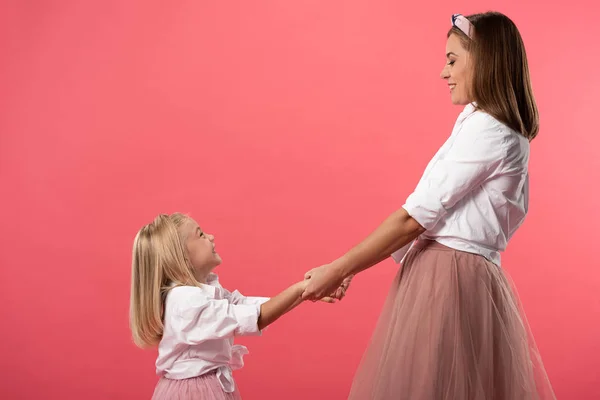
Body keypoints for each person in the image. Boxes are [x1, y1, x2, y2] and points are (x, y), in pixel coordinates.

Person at [302, 12, 556, 399]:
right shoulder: (478, 122)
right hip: (445, 272)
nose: (443, 72)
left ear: (484, 59)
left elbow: (413, 218)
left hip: (449, 277)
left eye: (453, 60)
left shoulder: (490, 130)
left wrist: (339, 268)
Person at [129, 213, 336, 400]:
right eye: (200, 235)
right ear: (181, 256)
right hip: (193, 393)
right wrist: (301, 288)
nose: (211, 237)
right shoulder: (185, 301)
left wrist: (306, 292)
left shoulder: (202, 291)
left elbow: (249, 306)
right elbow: (254, 317)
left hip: (208, 386)